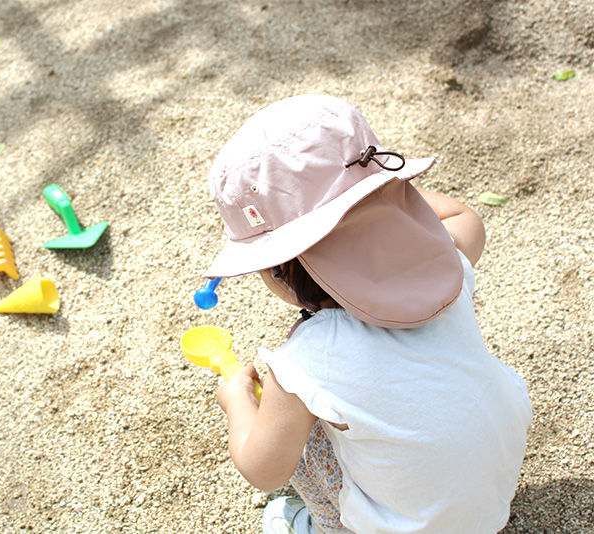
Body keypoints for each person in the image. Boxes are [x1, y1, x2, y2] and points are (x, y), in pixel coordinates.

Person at [203, 95, 532, 533]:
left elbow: (264, 470)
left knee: (293, 432)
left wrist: (237, 402)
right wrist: (377, 197)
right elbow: (462, 214)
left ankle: (326, 525)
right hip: (491, 502)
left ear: (279, 269)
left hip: (417, 526)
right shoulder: (444, 270)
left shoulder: (303, 364)